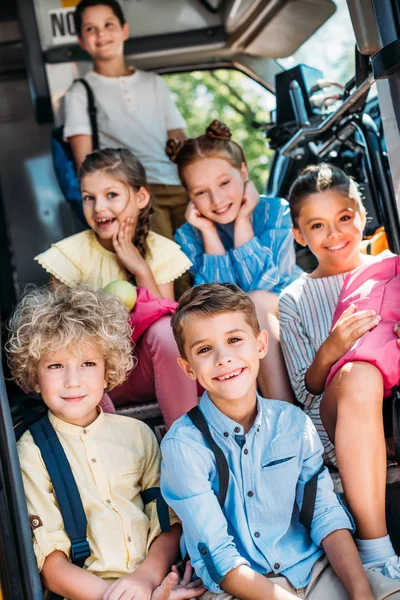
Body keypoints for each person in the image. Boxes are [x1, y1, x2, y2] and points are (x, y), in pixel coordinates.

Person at [160, 282, 400, 599]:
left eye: (234, 340)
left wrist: (360, 592)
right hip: (241, 587)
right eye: (204, 349)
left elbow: (325, 515)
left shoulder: (293, 424)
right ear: (188, 368)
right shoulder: (184, 446)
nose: (223, 357)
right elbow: (221, 559)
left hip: (313, 571)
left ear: (260, 345)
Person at [7, 284, 205, 600]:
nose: (73, 380)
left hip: (157, 583)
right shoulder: (32, 452)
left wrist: (145, 581)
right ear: (34, 376)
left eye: (88, 364)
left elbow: (169, 526)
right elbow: (51, 566)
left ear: (107, 372)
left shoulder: (137, 435)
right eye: (56, 366)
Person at [279, 163, 400, 579]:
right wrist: (332, 348)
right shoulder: (294, 297)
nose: (335, 235)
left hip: (394, 405)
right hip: (337, 414)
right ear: (299, 235)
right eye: (318, 225)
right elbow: (305, 391)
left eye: (344, 218)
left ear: (362, 215)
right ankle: (377, 550)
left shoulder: (394, 268)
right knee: (360, 374)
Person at [35, 148, 197, 428]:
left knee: (166, 331)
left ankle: (186, 437)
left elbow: (169, 329)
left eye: (111, 195)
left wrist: (140, 269)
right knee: (76, 355)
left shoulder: (160, 252)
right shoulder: (69, 257)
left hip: (147, 372)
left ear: (141, 197)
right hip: (95, 381)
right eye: (89, 198)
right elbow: (62, 340)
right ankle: (113, 444)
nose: (99, 208)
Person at [168, 120, 301, 403]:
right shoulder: (188, 235)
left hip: (285, 309)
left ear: (243, 172)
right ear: (189, 196)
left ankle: (283, 406)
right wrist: (208, 234)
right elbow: (215, 304)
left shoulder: (275, 212)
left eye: (225, 183)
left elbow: (261, 286)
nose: (216, 199)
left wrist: (243, 221)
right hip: (238, 328)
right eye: (200, 192)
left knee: (257, 301)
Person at [64, 0, 188, 239]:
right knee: (169, 271)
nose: (101, 33)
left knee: (205, 261)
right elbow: (86, 166)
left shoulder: (154, 83)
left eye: (109, 24)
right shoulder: (80, 92)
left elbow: (178, 138)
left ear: (124, 30)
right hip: (134, 194)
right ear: (81, 41)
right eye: (91, 28)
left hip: (178, 185)